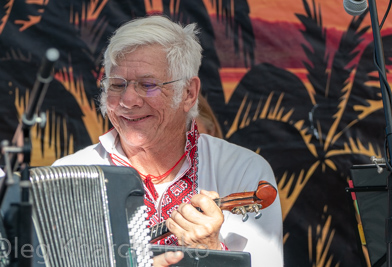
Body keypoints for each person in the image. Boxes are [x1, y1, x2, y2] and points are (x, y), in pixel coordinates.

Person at [53, 15, 283, 266]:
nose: (128, 100)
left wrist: (211, 252)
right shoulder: (68, 174)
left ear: (188, 93)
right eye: (117, 85)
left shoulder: (242, 169)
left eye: (147, 84)